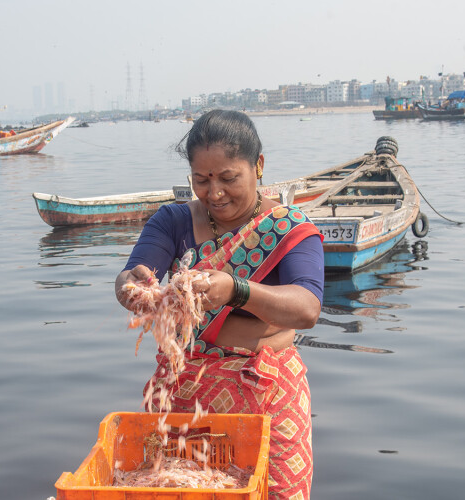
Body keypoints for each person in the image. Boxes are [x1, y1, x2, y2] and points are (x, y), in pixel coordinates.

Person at [115, 109, 324, 499]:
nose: (214, 193)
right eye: (201, 180)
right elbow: (133, 276)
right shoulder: (172, 222)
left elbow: (307, 307)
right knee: (173, 487)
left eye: (228, 178)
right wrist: (134, 286)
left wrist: (235, 290)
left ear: (258, 166)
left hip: (266, 394)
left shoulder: (288, 229)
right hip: (182, 392)